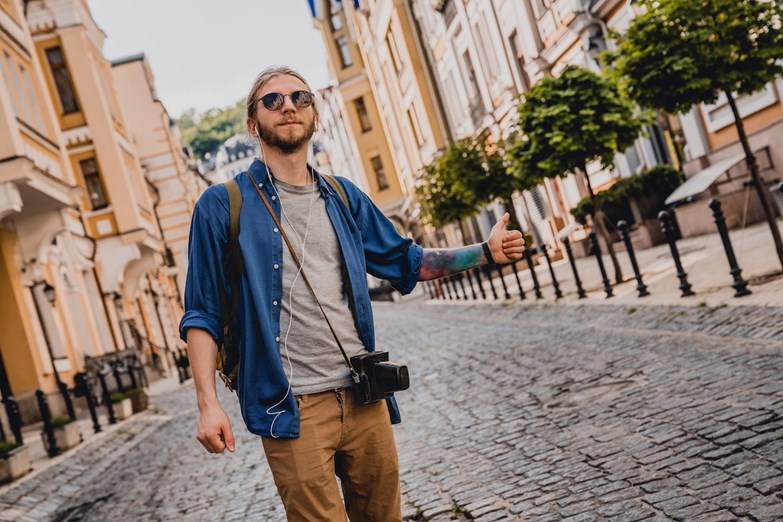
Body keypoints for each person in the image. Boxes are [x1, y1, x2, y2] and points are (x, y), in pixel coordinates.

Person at [179, 65, 525, 522]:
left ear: (315, 117)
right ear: (252, 124)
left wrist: (482, 252)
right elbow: (201, 312)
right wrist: (208, 405)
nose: (288, 106)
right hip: (291, 408)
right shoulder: (222, 205)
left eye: (301, 98)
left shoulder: (343, 196)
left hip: (364, 397)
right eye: (273, 100)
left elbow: (408, 260)